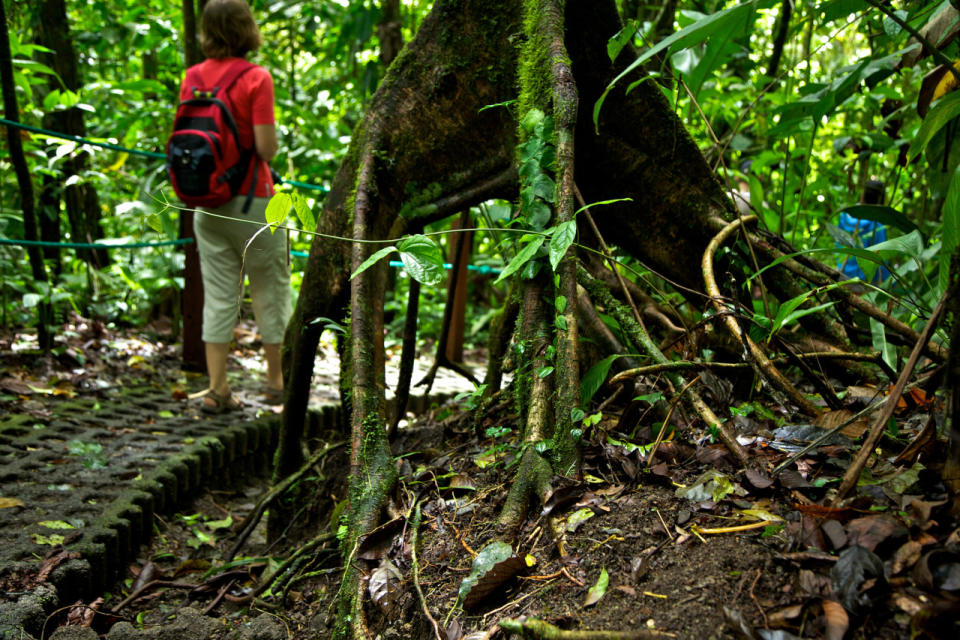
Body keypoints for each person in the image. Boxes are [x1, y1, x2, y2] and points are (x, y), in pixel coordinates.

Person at [185, 0, 291, 413]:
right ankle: (275, 382)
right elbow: (266, 147)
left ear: (207, 30)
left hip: (206, 205)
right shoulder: (255, 78)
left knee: (220, 294)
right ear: (247, 28)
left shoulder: (192, 77)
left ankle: (217, 389)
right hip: (254, 202)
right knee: (270, 287)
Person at [837, 179, 890, 283]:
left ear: (863, 194)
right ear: (880, 198)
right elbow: (881, 259)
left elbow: (838, 244)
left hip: (841, 274)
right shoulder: (877, 224)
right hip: (864, 282)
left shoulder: (845, 216)